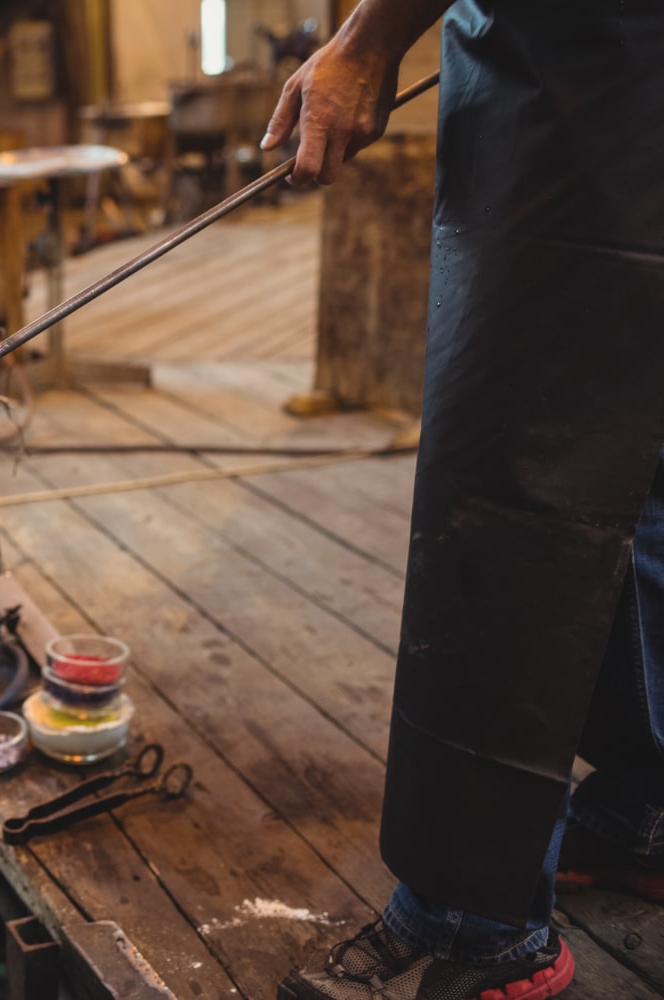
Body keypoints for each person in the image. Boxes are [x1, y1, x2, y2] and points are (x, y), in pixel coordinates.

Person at [260, 1, 664, 998]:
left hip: (581, 85)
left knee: (511, 470)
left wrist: (369, 40)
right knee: (641, 454)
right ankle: (644, 806)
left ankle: (472, 913)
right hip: (610, 69)